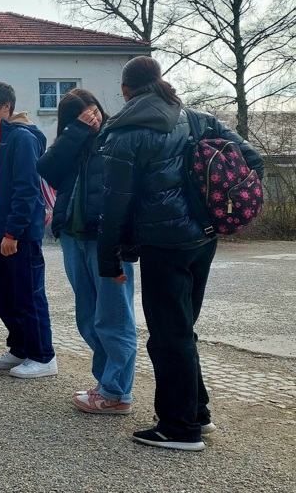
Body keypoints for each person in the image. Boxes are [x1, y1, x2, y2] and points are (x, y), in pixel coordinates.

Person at [98, 56, 263, 451]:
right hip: (203, 237)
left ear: (125, 90)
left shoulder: (125, 133)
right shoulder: (199, 119)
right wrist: (207, 201)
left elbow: (115, 205)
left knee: (169, 335)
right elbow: (252, 161)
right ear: (159, 81)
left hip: (163, 244)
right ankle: (196, 413)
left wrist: (108, 259)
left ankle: (178, 427)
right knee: (181, 329)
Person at [38, 89, 137, 413]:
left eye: (93, 110)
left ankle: (116, 392)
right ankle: (105, 384)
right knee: (88, 318)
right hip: (72, 236)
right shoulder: (71, 145)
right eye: (81, 116)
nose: (91, 118)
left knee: (114, 318)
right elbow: (47, 169)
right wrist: (77, 132)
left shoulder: (115, 137)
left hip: (107, 239)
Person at [0, 82, 56, 378]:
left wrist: (13, 233)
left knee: (28, 296)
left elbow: (26, 188)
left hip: (19, 233)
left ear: (6, 107)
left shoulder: (22, 137)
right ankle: (20, 349)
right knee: (5, 296)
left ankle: (43, 356)